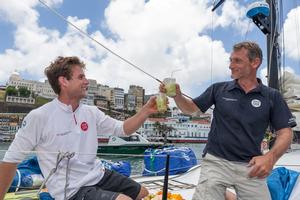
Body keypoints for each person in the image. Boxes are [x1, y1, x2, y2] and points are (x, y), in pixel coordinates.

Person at [0, 56, 159, 200]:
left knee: (143, 194)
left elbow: (124, 130)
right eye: (81, 77)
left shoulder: (92, 112)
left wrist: (145, 111)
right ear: (64, 81)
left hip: (98, 174)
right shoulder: (40, 116)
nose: (86, 81)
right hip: (70, 189)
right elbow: (11, 161)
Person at [160, 41, 296, 200]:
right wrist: (177, 95)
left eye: (237, 60)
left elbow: (285, 132)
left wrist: (270, 158)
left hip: (251, 166)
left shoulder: (272, 96)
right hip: (216, 162)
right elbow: (191, 109)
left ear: (255, 62)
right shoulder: (218, 89)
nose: (231, 65)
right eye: (230, 60)